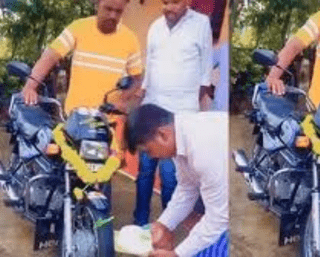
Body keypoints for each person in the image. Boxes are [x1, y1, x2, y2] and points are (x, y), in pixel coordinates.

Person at [17, 0, 142, 206]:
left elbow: (137, 77)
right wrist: (31, 84)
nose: (112, 15)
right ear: (97, 4)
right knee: (64, 175)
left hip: (104, 124)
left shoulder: (130, 39)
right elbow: (51, 55)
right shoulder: (79, 27)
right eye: (108, 9)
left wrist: (123, 99)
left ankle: (95, 223)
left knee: (101, 179)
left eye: (118, 11)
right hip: (73, 121)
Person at [132, 0, 213, 227]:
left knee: (171, 178)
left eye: (175, 2)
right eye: (165, 2)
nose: (168, 7)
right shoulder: (155, 26)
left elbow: (205, 76)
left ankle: (167, 227)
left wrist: (185, 114)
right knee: (145, 172)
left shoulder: (201, 24)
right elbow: (149, 70)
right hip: (150, 112)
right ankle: (140, 222)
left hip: (179, 119)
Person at [125, 104, 229, 257]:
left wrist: (178, 254)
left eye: (147, 150)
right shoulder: (181, 138)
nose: (151, 156)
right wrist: (163, 224)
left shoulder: (203, 148)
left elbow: (219, 217)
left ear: (163, 135)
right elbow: (187, 188)